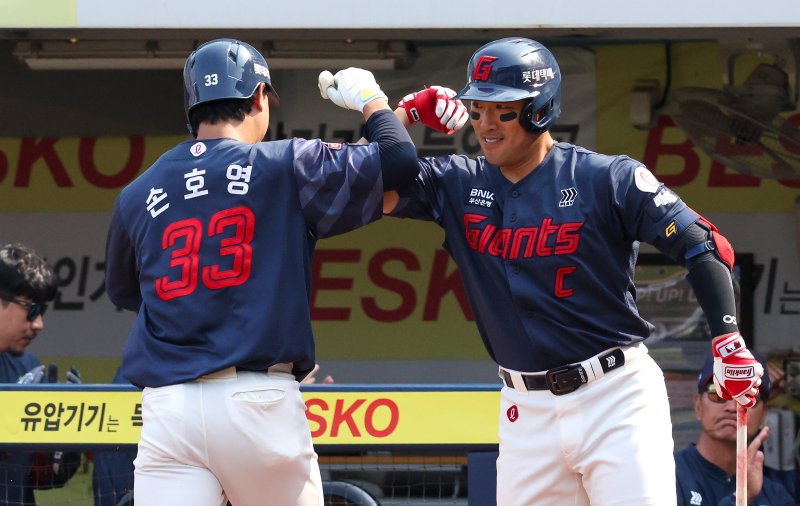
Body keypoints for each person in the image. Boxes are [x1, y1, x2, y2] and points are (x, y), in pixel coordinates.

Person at [320, 37, 765, 505]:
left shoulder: (604, 177)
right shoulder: (457, 182)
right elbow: (358, 183)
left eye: (503, 111)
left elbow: (702, 243)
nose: (486, 124)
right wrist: (400, 114)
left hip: (614, 396)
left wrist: (727, 339)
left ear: (540, 110)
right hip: (525, 409)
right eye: (478, 109)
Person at [103, 38, 416, 506]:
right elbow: (398, 160)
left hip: (169, 408)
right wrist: (373, 100)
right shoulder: (284, 163)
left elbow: (126, 292)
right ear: (258, 96)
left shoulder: (136, 192)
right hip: (257, 401)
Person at [0, 243, 81, 505]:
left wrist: (64, 438)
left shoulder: (28, 367)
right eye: (32, 309)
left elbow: (42, 477)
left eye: (42, 311)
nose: (39, 324)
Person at [676, 353, 798, 505]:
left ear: (763, 416)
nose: (733, 407)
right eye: (718, 393)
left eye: (748, 397)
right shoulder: (666, 474)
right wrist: (741, 497)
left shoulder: (777, 493)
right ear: (698, 406)